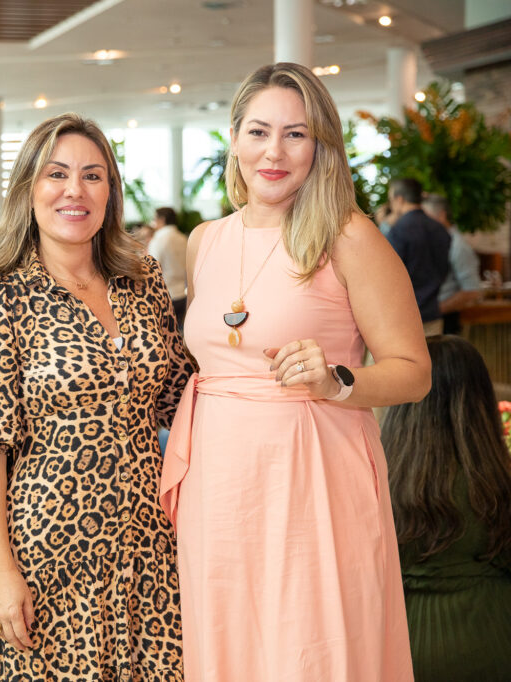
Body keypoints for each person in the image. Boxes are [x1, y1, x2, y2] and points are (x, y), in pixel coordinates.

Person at [160, 63, 430, 681]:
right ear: (234, 138)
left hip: (313, 475)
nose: (273, 152)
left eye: (296, 134)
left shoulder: (348, 236)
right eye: (258, 132)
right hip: (219, 485)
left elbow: (414, 371)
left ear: (322, 146)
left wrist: (338, 380)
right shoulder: (206, 240)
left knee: (312, 646)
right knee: (231, 643)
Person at [0, 112, 192, 680]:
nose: (74, 191)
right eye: (56, 174)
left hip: (150, 540)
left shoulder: (143, 277)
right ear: (29, 188)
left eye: (92, 175)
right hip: (48, 548)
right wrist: (2, 571)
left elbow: (182, 396)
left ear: (110, 191)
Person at [380, 335, 511, 682]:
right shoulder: (497, 480)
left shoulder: (374, 479)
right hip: (494, 642)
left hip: (398, 650)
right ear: (482, 399)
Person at [386, 178, 451, 336]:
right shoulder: (439, 228)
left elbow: (389, 275)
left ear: (399, 199)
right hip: (432, 312)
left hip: (403, 316)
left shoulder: (399, 230)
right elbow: (444, 269)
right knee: (434, 360)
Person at [422, 194, 482, 334]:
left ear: (442, 215)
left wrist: (434, 310)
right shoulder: (434, 242)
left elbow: (472, 290)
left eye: (426, 217)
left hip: (445, 321)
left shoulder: (458, 246)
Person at [147, 206, 188, 324]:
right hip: (183, 294)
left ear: (162, 219)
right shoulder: (183, 238)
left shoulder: (159, 239)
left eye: (154, 219)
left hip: (165, 296)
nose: (153, 223)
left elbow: (151, 269)